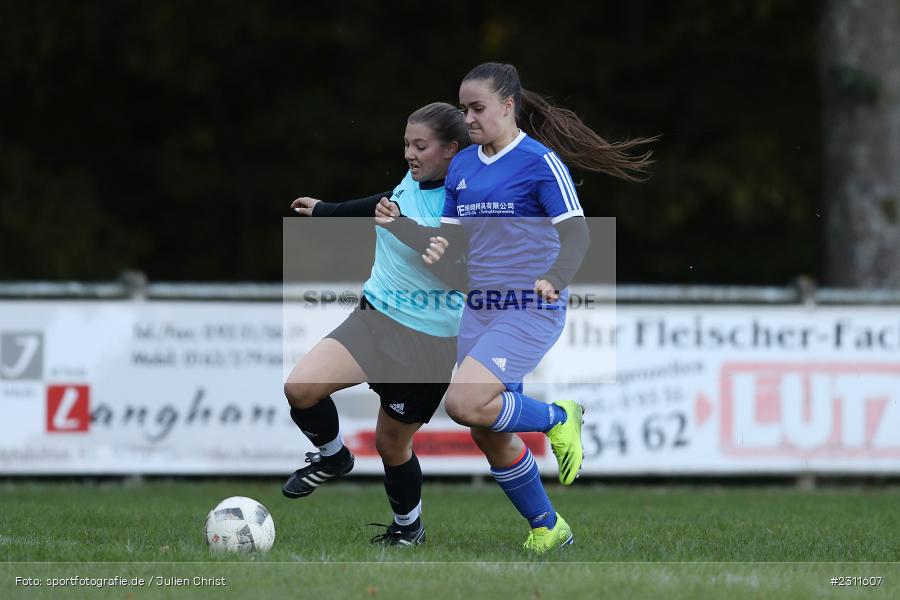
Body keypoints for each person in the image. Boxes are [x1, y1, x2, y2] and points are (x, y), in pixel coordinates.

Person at [378, 62, 654, 553]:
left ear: (509, 105)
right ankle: (549, 527)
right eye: (464, 110)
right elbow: (455, 233)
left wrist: (557, 277)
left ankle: (558, 417)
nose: (469, 119)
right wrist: (439, 244)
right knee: (487, 427)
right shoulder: (463, 165)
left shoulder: (539, 162)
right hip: (480, 307)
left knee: (464, 405)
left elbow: (577, 231)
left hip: (530, 306)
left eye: (478, 108)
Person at [283, 102, 469, 546]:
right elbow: (383, 206)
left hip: (426, 343)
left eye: (420, 146)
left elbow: (460, 275)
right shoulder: (414, 179)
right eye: (406, 143)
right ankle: (332, 458)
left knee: (391, 446)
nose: (409, 153)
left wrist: (403, 227)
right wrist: (324, 210)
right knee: (300, 388)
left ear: (451, 150)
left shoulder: (464, 200)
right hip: (375, 315)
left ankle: (409, 529)